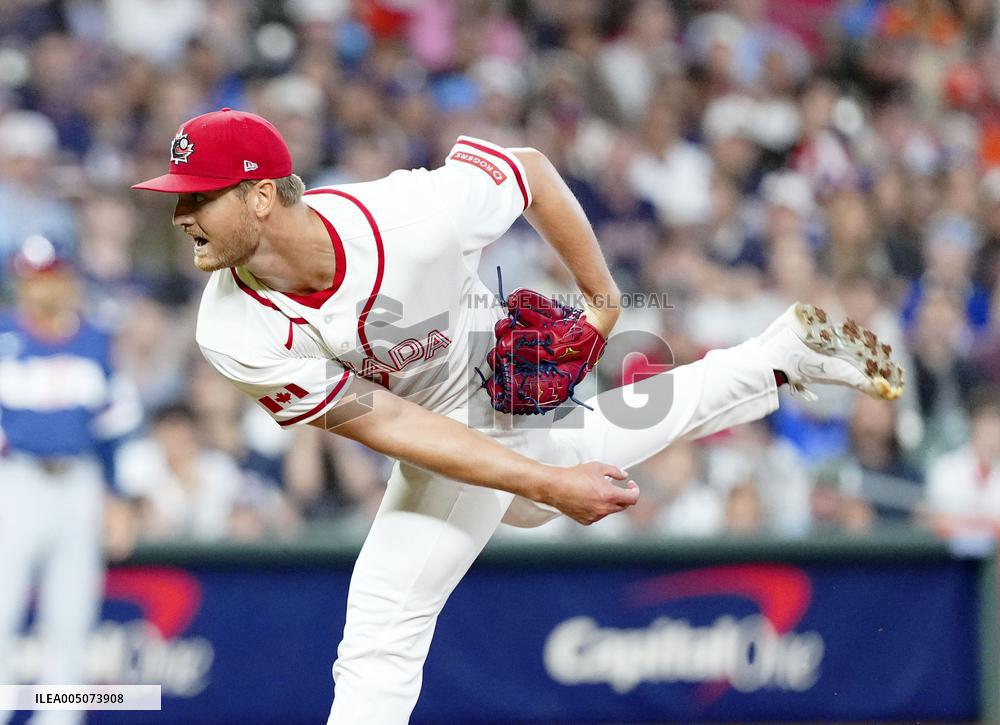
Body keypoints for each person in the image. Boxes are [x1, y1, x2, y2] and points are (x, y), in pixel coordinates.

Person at [132, 108, 904, 723]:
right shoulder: (230, 326)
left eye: (197, 196)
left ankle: (775, 358)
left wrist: (603, 301)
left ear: (262, 194)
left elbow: (528, 171)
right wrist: (547, 481)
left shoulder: (412, 217)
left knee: (382, 620)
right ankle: (777, 357)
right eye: (179, 197)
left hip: (493, 376)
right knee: (539, 499)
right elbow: (393, 427)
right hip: (430, 418)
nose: (181, 215)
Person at [0, 236, 140, 725]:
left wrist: (119, 497)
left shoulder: (94, 340)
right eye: (32, 275)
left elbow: (116, 428)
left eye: (51, 274)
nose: (41, 286)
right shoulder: (3, 336)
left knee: (71, 618)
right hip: (13, 482)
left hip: (78, 482)